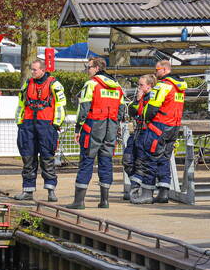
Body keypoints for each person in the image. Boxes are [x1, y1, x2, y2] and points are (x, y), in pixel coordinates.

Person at [131, 60, 186, 204]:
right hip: (173, 127)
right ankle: (163, 193)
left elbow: (152, 108)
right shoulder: (179, 87)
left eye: (157, 69)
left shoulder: (163, 85)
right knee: (164, 160)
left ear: (164, 70)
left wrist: (144, 118)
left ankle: (147, 194)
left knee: (150, 159)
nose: (155, 72)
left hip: (159, 127)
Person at [72, 58, 125, 210]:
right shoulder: (117, 87)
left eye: (88, 67)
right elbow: (121, 110)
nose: (87, 70)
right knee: (106, 162)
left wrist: (78, 129)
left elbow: (84, 108)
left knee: (87, 161)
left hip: (93, 126)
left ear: (96, 68)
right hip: (111, 128)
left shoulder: (92, 84)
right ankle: (104, 200)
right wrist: (115, 125)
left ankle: (79, 201)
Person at [15, 59, 67, 201]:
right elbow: (21, 103)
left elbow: (61, 105)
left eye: (35, 70)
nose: (32, 72)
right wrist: (19, 121)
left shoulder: (54, 84)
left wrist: (56, 124)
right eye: (31, 69)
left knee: (47, 158)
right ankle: (28, 190)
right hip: (28, 125)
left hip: (46, 125)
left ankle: (51, 190)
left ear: (42, 70)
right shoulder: (28, 83)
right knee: (28, 158)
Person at [122, 74, 155, 196]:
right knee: (127, 160)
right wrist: (137, 99)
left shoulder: (153, 97)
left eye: (141, 85)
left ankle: (135, 189)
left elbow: (148, 113)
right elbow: (131, 111)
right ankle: (134, 185)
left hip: (147, 133)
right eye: (138, 85)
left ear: (149, 85)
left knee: (141, 163)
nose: (139, 87)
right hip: (136, 133)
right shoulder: (139, 97)